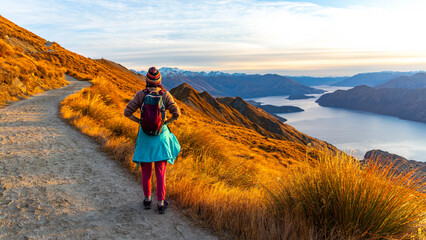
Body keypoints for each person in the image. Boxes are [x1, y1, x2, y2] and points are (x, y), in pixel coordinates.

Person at [124, 67, 181, 214]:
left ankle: (147, 200)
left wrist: (140, 122)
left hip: (145, 139)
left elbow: (127, 112)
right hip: (160, 138)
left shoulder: (141, 95)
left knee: (146, 173)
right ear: (159, 81)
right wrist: (165, 123)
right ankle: (161, 203)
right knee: (160, 173)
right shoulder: (165, 95)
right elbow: (177, 114)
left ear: (147, 80)